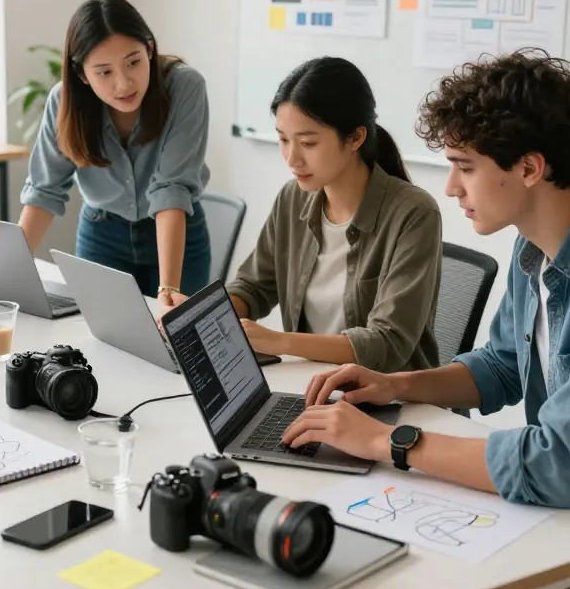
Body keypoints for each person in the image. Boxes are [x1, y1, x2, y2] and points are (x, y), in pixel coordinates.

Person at [282, 49, 570, 589]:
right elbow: (501, 365)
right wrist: (393, 384)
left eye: (464, 166)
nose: (450, 187)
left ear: (528, 168)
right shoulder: (538, 239)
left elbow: (560, 465)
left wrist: (386, 443)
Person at [186, 56, 443, 370]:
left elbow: (387, 342)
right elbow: (254, 287)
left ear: (356, 138)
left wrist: (278, 341)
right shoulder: (293, 198)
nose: (292, 158)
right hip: (309, 385)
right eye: (282, 140)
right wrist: (204, 319)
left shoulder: (414, 213)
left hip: (388, 398)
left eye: (308, 143)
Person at [19, 0, 211, 308]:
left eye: (133, 62)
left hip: (177, 236)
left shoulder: (184, 87)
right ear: (82, 74)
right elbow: (44, 189)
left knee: (177, 343)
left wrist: (168, 289)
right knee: (101, 342)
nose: (124, 84)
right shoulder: (64, 101)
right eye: (104, 72)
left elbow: (171, 189)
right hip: (101, 235)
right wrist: (7, 272)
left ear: (149, 49)